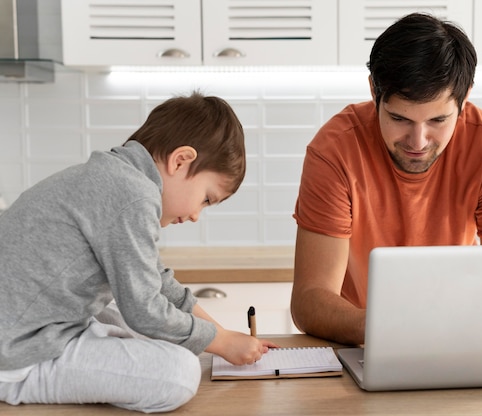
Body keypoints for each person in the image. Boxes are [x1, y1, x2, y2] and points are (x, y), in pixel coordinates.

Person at [0, 92, 278, 413]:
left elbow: (158, 282)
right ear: (180, 160)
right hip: (16, 352)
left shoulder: (115, 177)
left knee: (152, 328)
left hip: (24, 327)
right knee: (180, 373)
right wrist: (222, 343)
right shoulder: (133, 195)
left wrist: (221, 336)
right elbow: (145, 310)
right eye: (205, 198)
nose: (196, 215)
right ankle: (23, 379)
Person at [291, 13, 482, 346]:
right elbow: (309, 301)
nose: (418, 142)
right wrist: (386, 329)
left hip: (458, 339)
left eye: (438, 120)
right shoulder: (336, 149)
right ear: (374, 90)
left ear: (466, 96)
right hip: (360, 342)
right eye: (399, 118)